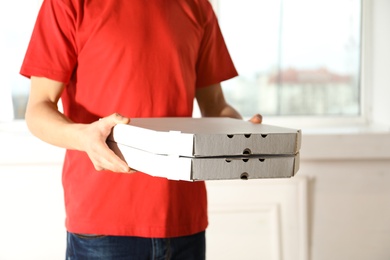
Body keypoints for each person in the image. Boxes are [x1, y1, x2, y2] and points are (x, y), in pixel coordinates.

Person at [21, 0, 262, 259]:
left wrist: (241, 131)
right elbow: (38, 108)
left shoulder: (198, 5)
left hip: (183, 217)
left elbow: (215, 105)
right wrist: (84, 137)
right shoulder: (67, 3)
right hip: (103, 222)